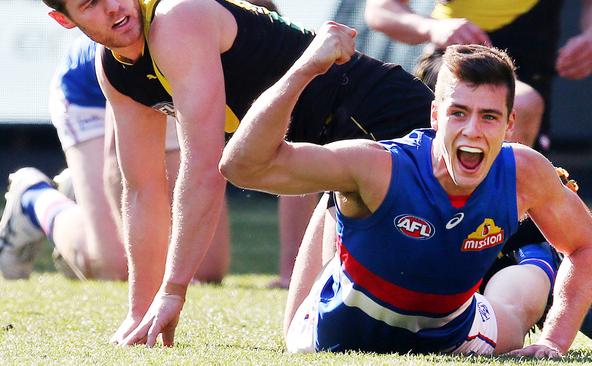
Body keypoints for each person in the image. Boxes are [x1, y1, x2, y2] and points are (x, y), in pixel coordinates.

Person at [43, 0, 434, 347]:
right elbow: (141, 187)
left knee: (392, 313)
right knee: (303, 332)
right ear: (65, 20)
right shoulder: (113, 68)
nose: (112, 6)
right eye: (91, 3)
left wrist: (174, 290)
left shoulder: (177, 18)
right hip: (332, 162)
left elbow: (204, 166)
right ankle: (38, 200)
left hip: (388, 125)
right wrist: (140, 310)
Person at [219, 27, 592, 357]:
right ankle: (341, 207)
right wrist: (305, 67)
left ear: (509, 124)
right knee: (342, 199)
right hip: (335, 327)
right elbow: (242, 165)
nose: (472, 129)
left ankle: (540, 259)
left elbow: (588, 246)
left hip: (453, 329)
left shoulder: (524, 171)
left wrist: (555, 341)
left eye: (488, 116)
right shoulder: (377, 166)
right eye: (458, 112)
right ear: (435, 115)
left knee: (516, 310)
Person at [0, 35, 229, 282]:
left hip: (172, 81)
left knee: (206, 271)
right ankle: (33, 198)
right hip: (99, 88)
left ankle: (81, 193)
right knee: (118, 267)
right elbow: (116, 163)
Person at [364, 0, 592, 150]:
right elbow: (380, 9)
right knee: (520, 102)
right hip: (453, 63)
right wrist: (432, 27)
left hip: (532, 74)